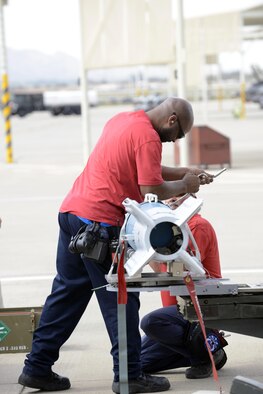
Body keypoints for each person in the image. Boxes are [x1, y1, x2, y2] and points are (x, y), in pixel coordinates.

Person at [18, 97, 214, 393]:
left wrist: (182, 171)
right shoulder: (149, 137)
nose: (174, 140)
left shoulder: (123, 120)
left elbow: (145, 168)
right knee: (121, 298)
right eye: (177, 135)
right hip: (99, 224)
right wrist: (186, 186)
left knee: (67, 293)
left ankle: (36, 367)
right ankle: (129, 376)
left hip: (72, 213)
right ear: (172, 120)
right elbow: (151, 189)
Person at [141, 195, 227, 380]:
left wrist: (157, 248)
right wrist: (146, 248)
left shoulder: (195, 226)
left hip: (197, 309)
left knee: (151, 323)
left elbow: (183, 270)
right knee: (137, 362)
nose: (170, 200)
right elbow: (163, 270)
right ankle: (206, 349)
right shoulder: (172, 229)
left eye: (178, 196)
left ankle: (205, 354)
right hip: (178, 314)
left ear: (191, 199)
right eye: (168, 196)